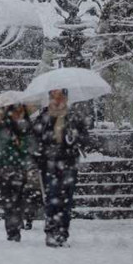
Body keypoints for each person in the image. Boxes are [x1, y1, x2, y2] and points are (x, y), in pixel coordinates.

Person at [30, 88, 91, 247]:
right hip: (49, 164)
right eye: (54, 96)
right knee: (52, 198)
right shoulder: (43, 118)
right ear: (50, 98)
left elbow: (85, 139)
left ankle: (63, 232)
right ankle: (51, 231)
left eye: (61, 96)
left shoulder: (73, 117)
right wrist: (38, 154)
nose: (58, 100)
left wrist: (77, 136)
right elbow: (33, 140)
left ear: (66, 98)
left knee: (67, 200)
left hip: (69, 163)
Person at [0, 104, 34, 242]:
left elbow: (30, 148)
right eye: (15, 111)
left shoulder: (27, 128)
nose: (18, 114)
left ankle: (16, 226)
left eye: (21, 111)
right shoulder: (1, 127)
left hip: (20, 169)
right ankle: (12, 231)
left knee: (18, 200)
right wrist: (10, 142)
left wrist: (21, 144)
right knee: (8, 201)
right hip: (5, 168)